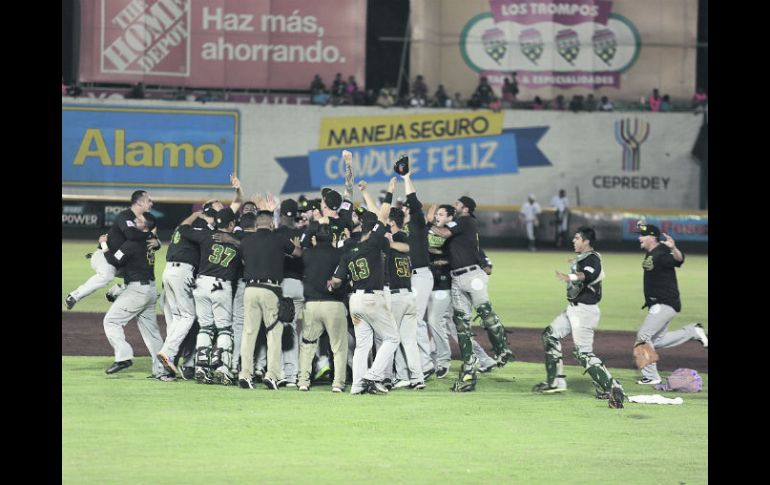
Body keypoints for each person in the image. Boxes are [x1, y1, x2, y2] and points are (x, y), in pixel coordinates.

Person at [427, 196, 516, 392]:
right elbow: (443, 247)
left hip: (472, 274)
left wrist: (428, 221)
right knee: (461, 325)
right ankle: (468, 370)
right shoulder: (459, 228)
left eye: (458, 204)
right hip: (457, 278)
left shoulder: (465, 221)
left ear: (465, 209)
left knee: (485, 311)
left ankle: (502, 350)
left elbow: (441, 233)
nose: (455, 205)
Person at [532, 227, 625, 408]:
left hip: (585, 312)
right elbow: (582, 267)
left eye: (577, 238)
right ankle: (556, 382)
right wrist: (574, 263)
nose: (573, 241)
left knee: (583, 353)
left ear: (586, 241)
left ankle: (613, 387)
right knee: (549, 335)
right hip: (573, 310)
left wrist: (571, 276)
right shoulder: (584, 258)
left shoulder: (593, 258)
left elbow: (588, 275)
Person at [331, 179, 400, 395]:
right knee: (392, 338)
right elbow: (384, 215)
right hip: (372, 299)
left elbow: (336, 281)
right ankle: (372, 376)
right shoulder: (373, 243)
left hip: (355, 301)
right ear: (374, 231)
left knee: (363, 345)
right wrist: (389, 190)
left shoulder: (349, 250)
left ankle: (357, 385)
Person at [633, 222, 708, 385]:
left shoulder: (661, 251)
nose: (639, 237)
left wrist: (673, 248)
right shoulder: (652, 252)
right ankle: (692, 331)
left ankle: (651, 377)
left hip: (664, 303)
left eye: (642, 235)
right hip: (660, 304)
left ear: (652, 238)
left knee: (643, 337)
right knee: (656, 341)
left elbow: (678, 260)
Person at [238, 200, 302, 390]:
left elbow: (242, 260)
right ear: (271, 224)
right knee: (273, 334)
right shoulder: (279, 239)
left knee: (249, 333)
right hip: (270, 290)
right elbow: (298, 253)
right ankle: (273, 374)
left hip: (249, 289)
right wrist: (294, 246)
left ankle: (245, 374)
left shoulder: (246, 240)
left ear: (256, 225)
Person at [65, 190, 158, 309]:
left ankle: (114, 292)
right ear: (140, 202)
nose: (151, 203)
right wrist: (150, 236)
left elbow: (153, 243)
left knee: (142, 278)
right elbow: (131, 235)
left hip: (122, 261)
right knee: (107, 275)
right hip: (105, 256)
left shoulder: (146, 219)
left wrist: (157, 242)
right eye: (148, 200)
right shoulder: (125, 216)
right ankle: (74, 296)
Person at [181, 208, 242, 385]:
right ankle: (222, 369)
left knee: (205, 327)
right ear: (231, 224)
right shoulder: (238, 241)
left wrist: (195, 216)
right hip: (221, 286)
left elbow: (183, 230)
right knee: (224, 329)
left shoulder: (206, 235)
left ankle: (201, 368)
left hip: (201, 284)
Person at [102, 213, 166, 379]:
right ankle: (162, 370)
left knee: (111, 321)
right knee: (152, 333)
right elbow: (155, 237)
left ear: (144, 226)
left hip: (137, 290)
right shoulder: (150, 240)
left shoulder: (132, 242)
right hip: (150, 289)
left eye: (138, 220)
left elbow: (114, 261)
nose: (134, 221)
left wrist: (103, 245)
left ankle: (123, 357)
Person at [297, 222, 348, 392]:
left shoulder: (307, 255)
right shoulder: (340, 254)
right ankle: (338, 384)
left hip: (311, 305)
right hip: (333, 305)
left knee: (308, 345)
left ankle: (303, 382)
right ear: (332, 238)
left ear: (315, 238)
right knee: (339, 347)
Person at [400, 171, 435, 379]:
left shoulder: (418, 224)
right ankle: (418, 362)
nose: (404, 209)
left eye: (405, 207)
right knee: (410, 320)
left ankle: (426, 363)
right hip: (408, 278)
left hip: (420, 276)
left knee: (416, 320)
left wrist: (406, 178)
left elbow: (413, 201)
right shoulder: (400, 230)